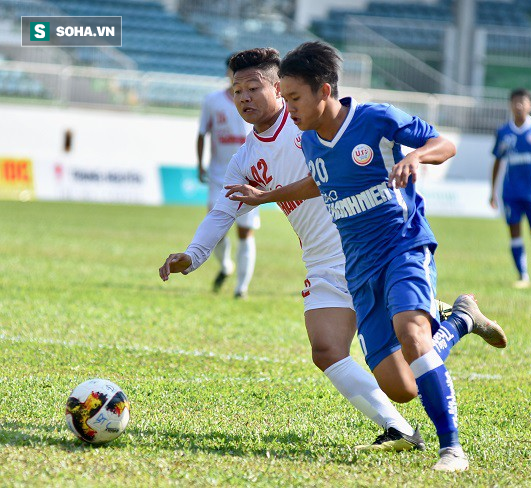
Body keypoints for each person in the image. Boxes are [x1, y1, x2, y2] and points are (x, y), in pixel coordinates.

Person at [161, 47, 506, 456]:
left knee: (413, 343)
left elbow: (354, 142)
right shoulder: (246, 158)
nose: (243, 98)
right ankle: (399, 426)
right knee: (338, 356)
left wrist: (410, 159)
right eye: (236, 91)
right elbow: (224, 209)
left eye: (253, 88)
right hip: (326, 263)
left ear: (279, 88)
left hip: (373, 246)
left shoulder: (311, 121)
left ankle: (450, 340)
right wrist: (193, 254)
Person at [197, 54, 260, 298]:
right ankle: (225, 265)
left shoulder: (257, 102)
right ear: (228, 74)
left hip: (249, 178)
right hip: (218, 176)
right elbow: (202, 133)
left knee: (245, 232)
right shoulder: (212, 101)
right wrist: (199, 164)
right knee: (216, 229)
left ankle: (241, 289)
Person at [489, 88, 531, 288]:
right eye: (515, 102)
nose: (519, 106)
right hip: (511, 193)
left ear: (530, 105)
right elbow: (497, 160)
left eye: (523, 102)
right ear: (511, 105)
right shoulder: (504, 132)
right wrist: (493, 191)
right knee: (514, 232)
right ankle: (523, 276)